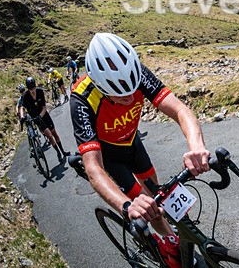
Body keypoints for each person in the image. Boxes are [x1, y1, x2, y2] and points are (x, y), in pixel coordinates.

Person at [70, 32, 210, 268]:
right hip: (110, 159)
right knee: (146, 204)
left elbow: (179, 110)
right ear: (100, 86)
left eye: (131, 90)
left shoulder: (137, 72)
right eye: (119, 94)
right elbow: (93, 167)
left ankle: (163, 231)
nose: (128, 97)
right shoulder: (82, 99)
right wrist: (127, 206)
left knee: (157, 193)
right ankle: (168, 247)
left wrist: (196, 146)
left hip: (132, 144)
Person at [18, 76, 71, 161]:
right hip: (36, 118)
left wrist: (40, 116)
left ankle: (63, 151)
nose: (33, 90)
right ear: (28, 89)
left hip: (44, 115)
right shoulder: (25, 96)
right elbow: (22, 108)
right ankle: (58, 153)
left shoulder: (40, 91)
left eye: (34, 88)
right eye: (31, 89)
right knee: (49, 135)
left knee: (54, 133)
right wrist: (22, 116)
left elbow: (44, 107)